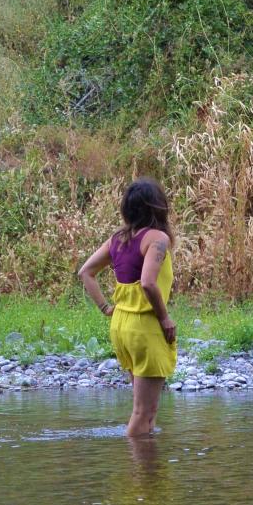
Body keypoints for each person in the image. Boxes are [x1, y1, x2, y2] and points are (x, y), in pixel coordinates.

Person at [78, 177, 177, 437]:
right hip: (144, 326)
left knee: (144, 411)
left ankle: (147, 470)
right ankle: (138, 472)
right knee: (143, 412)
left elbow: (86, 272)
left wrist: (105, 308)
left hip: (121, 325)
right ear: (158, 206)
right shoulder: (157, 238)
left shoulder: (118, 239)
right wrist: (165, 318)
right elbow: (147, 283)